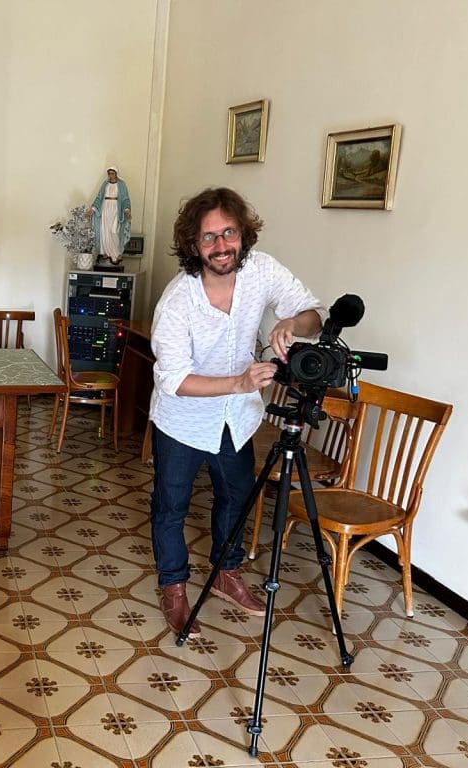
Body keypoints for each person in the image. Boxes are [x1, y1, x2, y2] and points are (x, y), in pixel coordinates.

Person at [149, 187, 325, 638]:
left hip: (237, 419)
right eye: (209, 237)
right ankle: (173, 586)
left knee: (236, 495)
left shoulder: (262, 271)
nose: (221, 245)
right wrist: (239, 383)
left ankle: (227, 572)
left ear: (243, 234)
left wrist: (290, 323)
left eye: (228, 232)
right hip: (182, 421)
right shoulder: (175, 302)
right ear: (193, 245)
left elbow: (313, 315)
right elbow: (176, 380)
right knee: (171, 506)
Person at [89, 166, 132, 264]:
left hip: (116, 209)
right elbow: (99, 197)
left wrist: (126, 209)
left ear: (116, 174)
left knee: (114, 231)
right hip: (105, 208)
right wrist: (93, 208)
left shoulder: (121, 184)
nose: (111, 175)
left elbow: (125, 198)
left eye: (113, 173)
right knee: (105, 231)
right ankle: (106, 253)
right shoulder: (105, 184)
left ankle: (117, 253)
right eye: (109, 174)